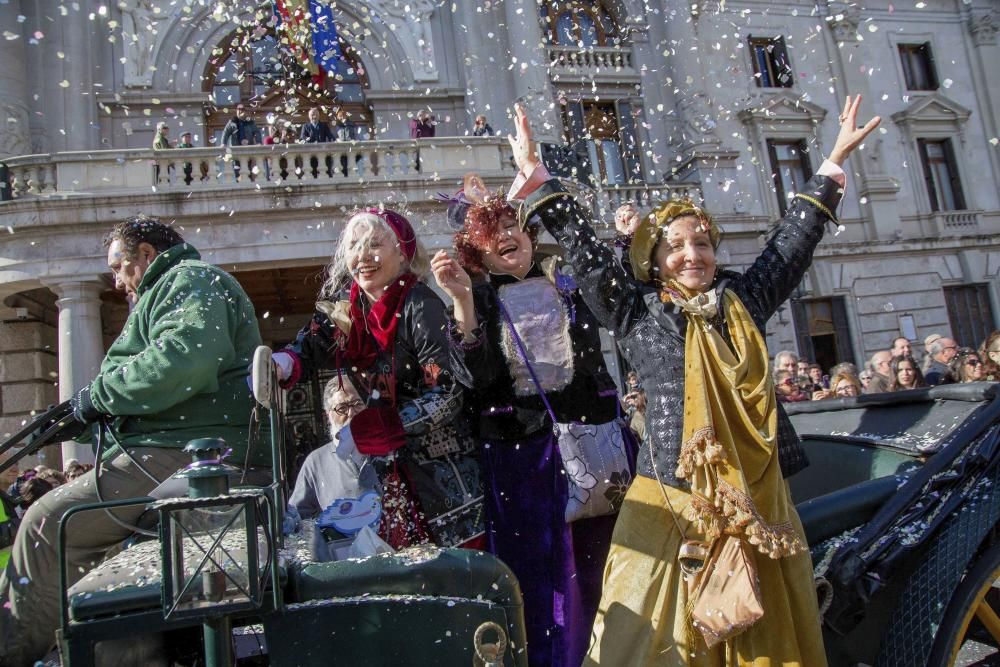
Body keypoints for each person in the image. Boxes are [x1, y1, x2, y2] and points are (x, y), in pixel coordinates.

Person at [503, 94, 878, 665]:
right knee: (643, 623)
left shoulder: (740, 301)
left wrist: (831, 164)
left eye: (701, 243)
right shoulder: (633, 310)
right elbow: (586, 254)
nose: (691, 255)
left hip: (751, 491)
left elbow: (788, 248)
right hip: (668, 492)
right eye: (675, 246)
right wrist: (540, 181)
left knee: (756, 619)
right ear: (652, 260)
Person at [0, 216, 267, 666]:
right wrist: (85, 415)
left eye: (119, 266)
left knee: (46, 524)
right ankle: (92, 646)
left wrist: (99, 397)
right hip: (177, 448)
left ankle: (13, 652)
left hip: (187, 453)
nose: (116, 280)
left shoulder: (189, 279)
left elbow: (184, 361)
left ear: (146, 255)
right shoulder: (177, 288)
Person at [433, 183, 638, 667]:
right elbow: (476, 378)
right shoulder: (476, 299)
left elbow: (620, 299)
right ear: (476, 249)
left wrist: (628, 246)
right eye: (492, 231)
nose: (506, 234)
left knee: (608, 562)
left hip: (596, 444)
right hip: (522, 461)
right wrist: (463, 301)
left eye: (512, 225)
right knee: (542, 579)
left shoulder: (568, 280)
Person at [273, 208, 483, 550]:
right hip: (388, 481)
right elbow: (312, 340)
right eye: (355, 245)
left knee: (452, 583)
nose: (362, 256)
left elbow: (446, 392)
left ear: (402, 253)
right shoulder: (348, 307)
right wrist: (285, 361)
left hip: (442, 483)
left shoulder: (420, 303)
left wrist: (390, 425)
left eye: (375, 245)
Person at [288, 377, 375, 520]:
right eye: (342, 408)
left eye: (358, 403)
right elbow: (299, 516)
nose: (352, 413)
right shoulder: (316, 462)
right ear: (328, 416)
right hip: (343, 542)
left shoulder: (388, 450)